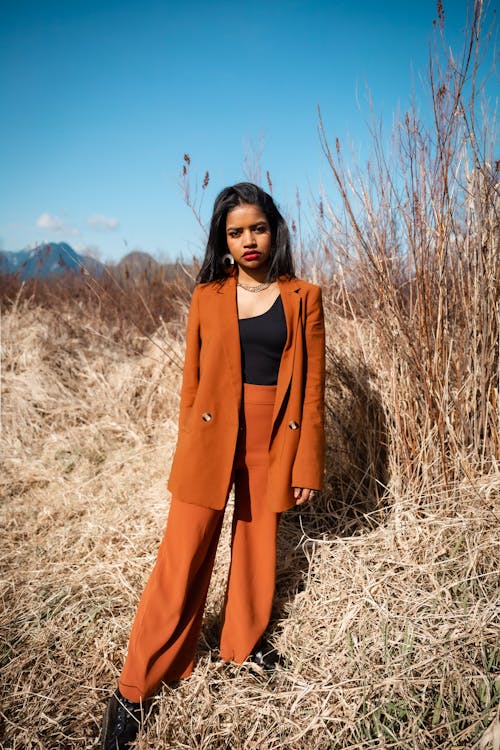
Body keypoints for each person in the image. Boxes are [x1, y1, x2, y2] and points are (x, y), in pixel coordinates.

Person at [100, 182, 326, 749]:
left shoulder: (305, 296)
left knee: (256, 549)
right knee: (182, 556)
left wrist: (305, 465)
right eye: (235, 232)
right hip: (209, 437)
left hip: (272, 437)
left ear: (274, 229)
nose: (248, 240)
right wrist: (187, 455)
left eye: (257, 228)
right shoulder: (207, 296)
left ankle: (242, 646)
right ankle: (136, 686)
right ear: (222, 241)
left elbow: (313, 389)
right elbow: (191, 386)